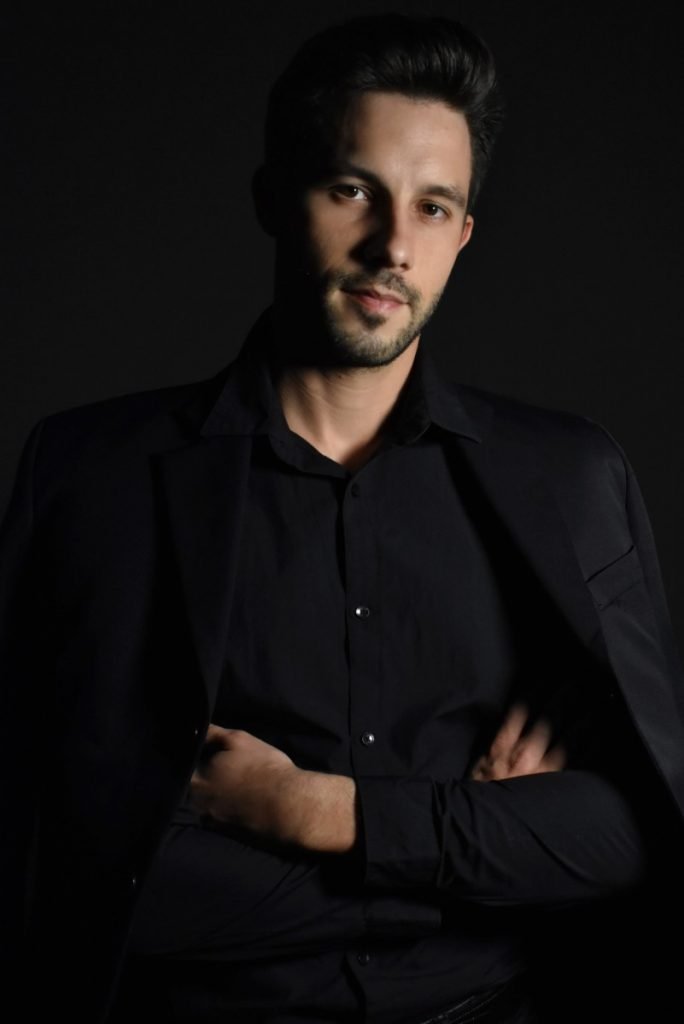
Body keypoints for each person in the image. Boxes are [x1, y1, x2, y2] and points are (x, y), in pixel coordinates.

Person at [2, 12, 684, 1024]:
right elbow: (83, 868)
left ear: (462, 234)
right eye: (352, 190)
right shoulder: (93, 474)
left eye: (433, 206)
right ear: (274, 197)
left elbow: (639, 833)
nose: (392, 246)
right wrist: (475, 848)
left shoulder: (572, 475)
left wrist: (313, 811)